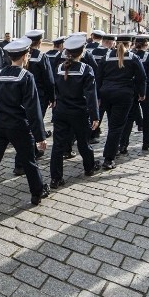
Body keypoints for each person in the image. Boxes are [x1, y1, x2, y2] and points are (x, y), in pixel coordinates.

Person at [0, 38, 49, 223]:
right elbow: (33, 109)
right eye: (28, 53)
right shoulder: (26, 76)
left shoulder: (0, 73)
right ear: (24, 56)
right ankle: (37, 192)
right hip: (17, 126)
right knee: (29, 161)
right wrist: (40, 136)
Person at [49, 34, 100, 188]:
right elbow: (91, 95)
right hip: (79, 112)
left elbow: (54, 88)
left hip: (61, 111)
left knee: (58, 145)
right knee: (83, 142)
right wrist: (95, 116)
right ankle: (89, 167)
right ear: (82, 52)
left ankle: (56, 178)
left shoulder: (59, 67)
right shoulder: (86, 69)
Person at [96, 33, 146, 170]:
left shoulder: (106, 57)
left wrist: (98, 96)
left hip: (106, 93)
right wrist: (142, 93)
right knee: (116, 127)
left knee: (112, 124)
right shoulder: (133, 57)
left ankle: (110, 151)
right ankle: (108, 158)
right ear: (130, 44)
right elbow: (142, 77)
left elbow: (98, 77)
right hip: (124, 94)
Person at [119, 35, 149, 152]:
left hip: (131, 90)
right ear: (146, 45)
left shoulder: (129, 56)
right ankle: (147, 143)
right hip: (147, 91)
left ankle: (123, 144)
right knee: (147, 117)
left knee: (129, 118)